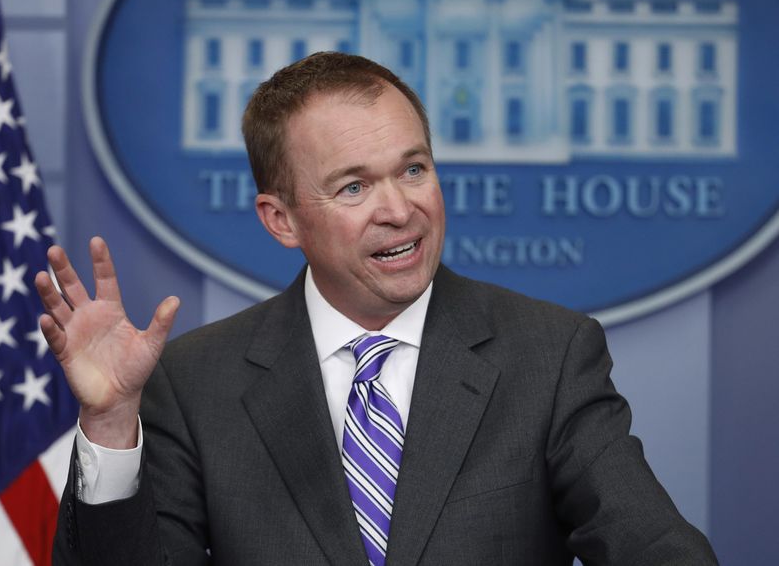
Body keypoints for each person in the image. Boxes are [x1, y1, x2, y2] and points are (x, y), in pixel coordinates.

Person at [39, 52, 718, 565]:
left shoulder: (548, 354)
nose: (401, 210)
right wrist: (107, 421)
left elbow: (653, 547)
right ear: (281, 220)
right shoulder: (194, 381)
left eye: (414, 169)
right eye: (355, 185)